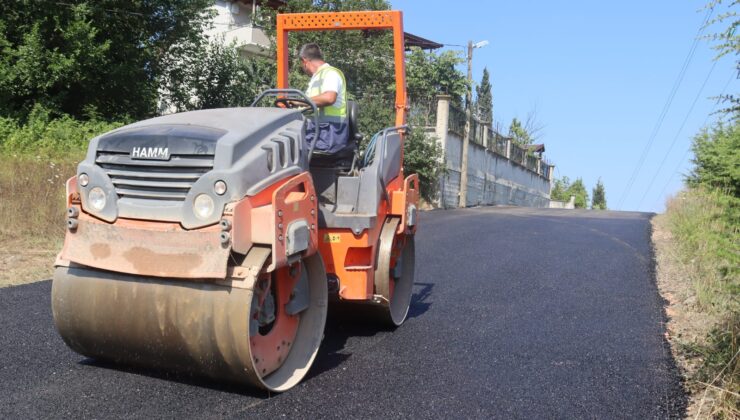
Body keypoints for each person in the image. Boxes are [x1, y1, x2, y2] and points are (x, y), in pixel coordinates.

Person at [297, 43, 349, 154]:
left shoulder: (331, 73)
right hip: (318, 131)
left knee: (286, 147)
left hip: (330, 134)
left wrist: (299, 101)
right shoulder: (316, 78)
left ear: (305, 61)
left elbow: (329, 98)